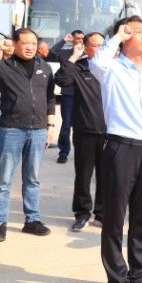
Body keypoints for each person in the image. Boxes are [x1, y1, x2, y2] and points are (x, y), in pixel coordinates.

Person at [89, 16, 142, 283]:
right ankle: (117, 276)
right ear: (124, 35)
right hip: (120, 148)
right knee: (114, 217)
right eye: (138, 32)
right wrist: (118, 36)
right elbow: (96, 62)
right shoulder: (111, 68)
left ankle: (139, 273)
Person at [0, 30, 56, 242]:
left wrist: (50, 125)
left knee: (32, 178)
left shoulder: (45, 67)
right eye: (25, 43)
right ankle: (0, 222)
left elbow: (50, 98)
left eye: (33, 43)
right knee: (3, 179)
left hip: (39, 130)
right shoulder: (4, 67)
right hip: (11, 129)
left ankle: (32, 220)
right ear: (15, 44)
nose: (30, 47)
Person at [54, 32, 106, 232]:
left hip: (111, 132)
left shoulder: (114, 68)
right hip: (85, 130)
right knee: (83, 175)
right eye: (96, 45)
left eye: (103, 45)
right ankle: (82, 213)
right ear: (85, 47)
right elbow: (61, 80)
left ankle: (102, 214)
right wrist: (74, 56)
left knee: (107, 175)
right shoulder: (79, 67)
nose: (100, 49)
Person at [51, 30, 85, 164]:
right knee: (66, 125)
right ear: (73, 40)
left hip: (84, 95)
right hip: (69, 94)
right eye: (78, 38)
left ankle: (81, 153)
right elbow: (52, 52)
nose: (81, 41)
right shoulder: (65, 53)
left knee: (82, 126)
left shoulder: (87, 54)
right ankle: (63, 152)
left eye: (83, 38)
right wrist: (64, 40)